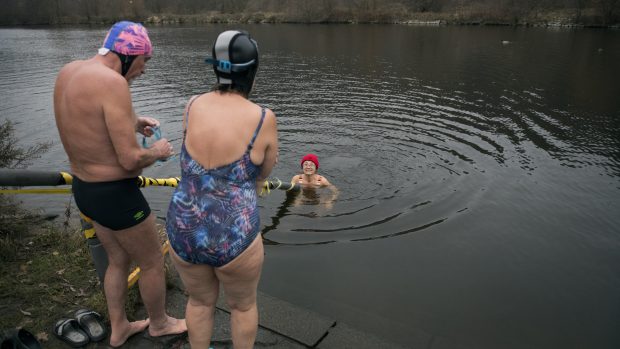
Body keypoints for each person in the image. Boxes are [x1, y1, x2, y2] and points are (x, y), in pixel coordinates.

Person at [53, 21, 186, 347]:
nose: (144, 70)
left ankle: (120, 326)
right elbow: (129, 160)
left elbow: (86, 119)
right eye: (146, 60)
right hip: (116, 195)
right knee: (152, 261)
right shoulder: (113, 83)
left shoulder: (71, 71)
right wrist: (156, 151)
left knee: (117, 260)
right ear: (129, 54)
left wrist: (132, 121)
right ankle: (159, 323)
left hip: (86, 190)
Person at [166, 30, 278, 348]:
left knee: (199, 303)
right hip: (234, 232)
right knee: (242, 307)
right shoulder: (262, 118)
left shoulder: (192, 105)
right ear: (252, 71)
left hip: (184, 225)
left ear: (215, 67)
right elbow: (264, 170)